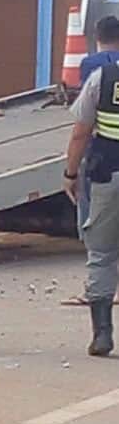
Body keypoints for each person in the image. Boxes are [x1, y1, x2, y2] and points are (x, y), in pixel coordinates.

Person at [63, 49, 119, 356]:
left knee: (101, 253)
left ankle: (102, 335)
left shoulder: (102, 78)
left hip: (108, 176)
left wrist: (70, 173)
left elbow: (80, 133)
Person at [76, 17, 119, 240]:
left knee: (88, 193)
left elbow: (82, 124)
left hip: (100, 146)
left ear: (97, 37)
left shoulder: (90, 65)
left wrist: (69, 172)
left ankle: (87, 234)